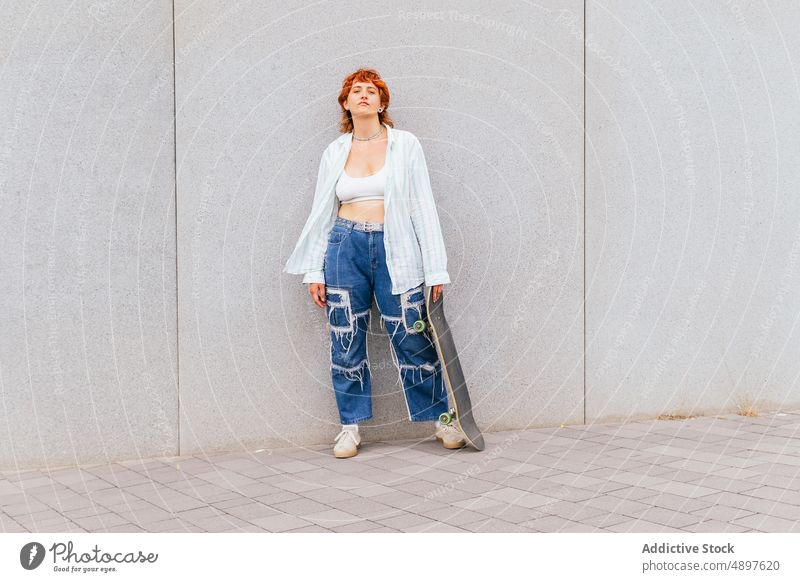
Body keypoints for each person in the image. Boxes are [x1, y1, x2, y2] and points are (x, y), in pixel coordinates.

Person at [283, 68, 467, 458]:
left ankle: (442, 419)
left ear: (382, 103)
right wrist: (315, 270)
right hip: (344, 246)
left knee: (412, 336)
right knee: (345, 338)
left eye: (371, 91)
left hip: (396, 247)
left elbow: (422, 206)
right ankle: (349, 427)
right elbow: (322, 211)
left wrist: (436, 268)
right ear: (346, 104)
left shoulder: (405, 145)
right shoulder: (335, 151)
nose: (363, 95)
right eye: (356, 91)